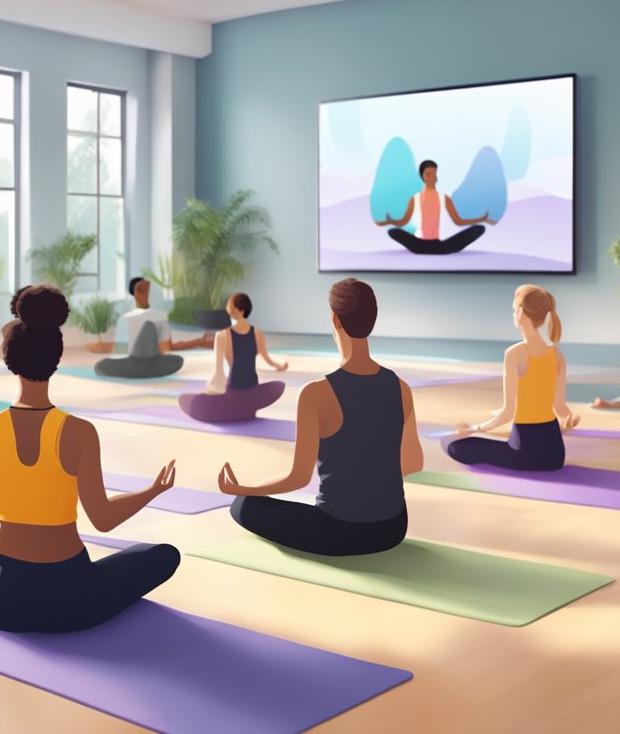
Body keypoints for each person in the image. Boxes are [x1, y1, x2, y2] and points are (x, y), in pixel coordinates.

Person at [0, 285, 181, 633]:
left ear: (10, 360)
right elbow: (102, 520)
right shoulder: (79, 432)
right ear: (55, 360)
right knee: (164, 555)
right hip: (74, 598)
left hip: (0, 597)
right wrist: (151, 492)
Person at [219, 279, 423, 556]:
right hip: (394, 528)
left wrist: (245, 487)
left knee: (243, 505)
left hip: (340, 532)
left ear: (335, 319)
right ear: (372, 320)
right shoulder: (401, 387)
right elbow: (413, 462)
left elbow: (298, 478)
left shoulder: (316, 393)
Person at [446, 285, 580, 471]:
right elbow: (560, 407)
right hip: (555, 455)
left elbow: (508, 413)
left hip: (524, 452)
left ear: (521, 312)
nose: (513, 314)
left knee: (453, 446)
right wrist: (569, 419)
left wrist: (475, 428)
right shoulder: (556, 354)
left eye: (514, 309)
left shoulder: (514, 353)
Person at [179, 293, 289, 422]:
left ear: (240, 309)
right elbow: (267, 358)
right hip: (252, 395)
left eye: (230, 303)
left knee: (191, 400)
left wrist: (209, 392)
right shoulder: (257, 333)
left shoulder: (222, 336)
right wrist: (279, 367)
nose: (227, 306)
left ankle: (228, 408)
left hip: (234, 394)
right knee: (276, 386)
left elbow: (218, 373)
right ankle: (242, 409)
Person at [376, 160, 497, 255]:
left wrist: (481, 219)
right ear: (422, 176)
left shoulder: (444, 197)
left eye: (433, 173)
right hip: (419, 245)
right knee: (393, 231)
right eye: (427, 174)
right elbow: (404, 221)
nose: (431, 177)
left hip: (441, 245)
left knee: (479, 229)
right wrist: (389, 221)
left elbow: (458, 221)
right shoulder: (415, 198)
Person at [93, 277, 203, 379]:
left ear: (134, 294)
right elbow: (166, 348)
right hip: (153, 362)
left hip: (133, 364)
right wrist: (197, 342)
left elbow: (119, 352)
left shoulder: (124, 319)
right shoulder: (160, 316)